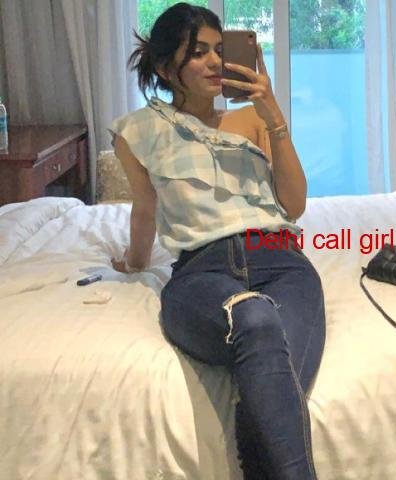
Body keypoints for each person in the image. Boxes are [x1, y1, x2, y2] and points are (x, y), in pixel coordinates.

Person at [107, 3, 325, 479]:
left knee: (267, 389)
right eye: (198, 52)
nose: (214, 62)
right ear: (165, 66)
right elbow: (145, 207)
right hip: (201, 272)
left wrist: (273, 115)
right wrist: (133, 261)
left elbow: (293, 205)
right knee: (256, 319)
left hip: (280, 259)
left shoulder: (252, 121)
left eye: (220, 50)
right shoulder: (138, 132)